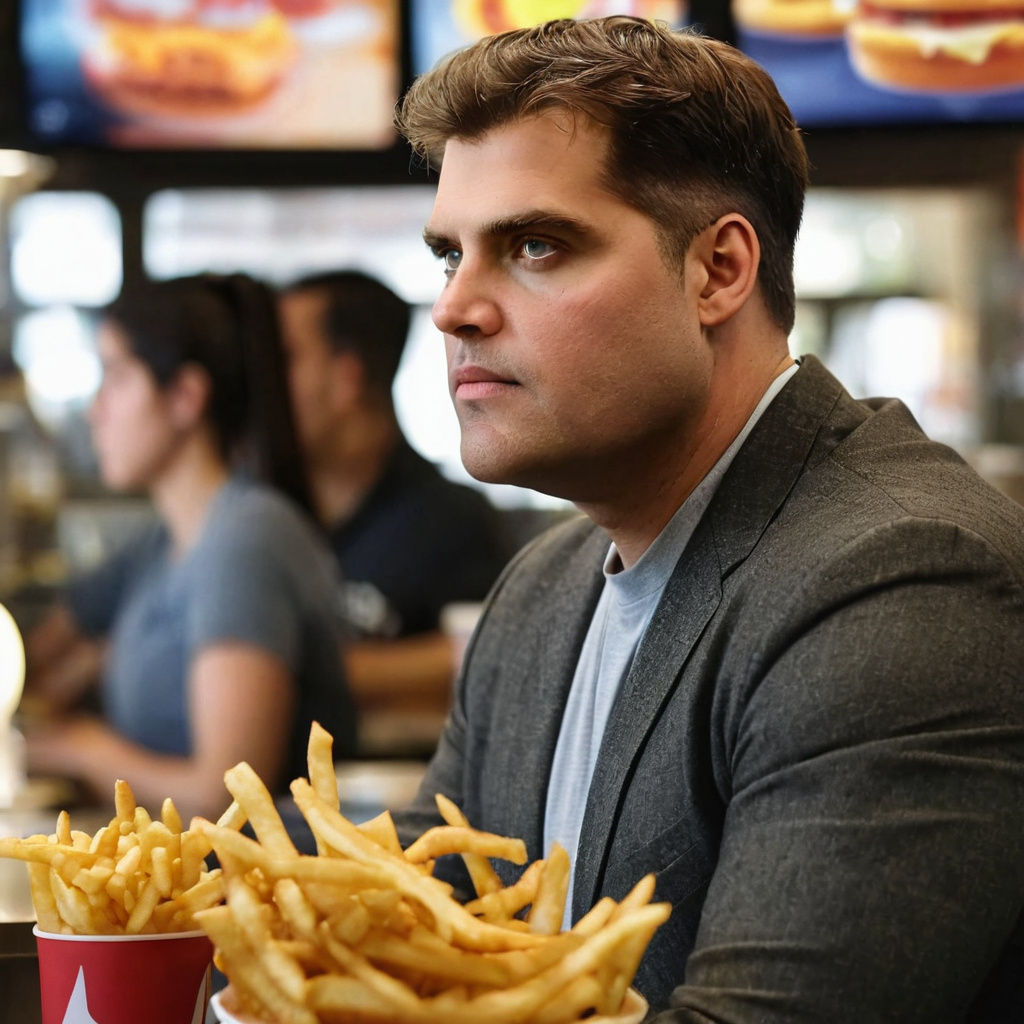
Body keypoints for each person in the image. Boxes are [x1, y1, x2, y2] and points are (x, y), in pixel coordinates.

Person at [390, 16, 1024, 1022]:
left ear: (718, 271)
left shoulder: (901, 584)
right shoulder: (542, 589)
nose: (454, 309)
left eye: (534, 245)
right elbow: (401, 922)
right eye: (448, 257)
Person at [21, 274, 357, 820]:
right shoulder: (161, 541)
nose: (94, 410)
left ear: (184, 396)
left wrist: (81, 748)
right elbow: (52, 642)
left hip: (249, 872)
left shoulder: (245, 540)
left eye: (116, 377)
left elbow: (224, 793)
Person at [277, 270, 513, 715]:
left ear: (346, 377)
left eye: (284, 360)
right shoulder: (263, 512)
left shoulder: (451, 520)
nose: (262, 386)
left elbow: (490, 654)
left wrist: (283, 672)